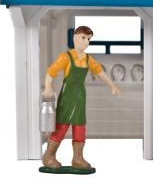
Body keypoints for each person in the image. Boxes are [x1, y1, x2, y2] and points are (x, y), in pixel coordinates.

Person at [42, 26, 121, 171]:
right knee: (62, 126)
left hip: (80, 96)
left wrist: (112, 85)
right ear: (74, 38)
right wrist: (48, 87)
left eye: (88, 39)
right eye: (83, 38)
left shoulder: (88, 59)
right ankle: (48, 156)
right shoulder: (66, 57)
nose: (86, 42)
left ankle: (78, 158)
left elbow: (100, 73)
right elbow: (51, 72)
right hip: (67, 96)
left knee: (80, 127)